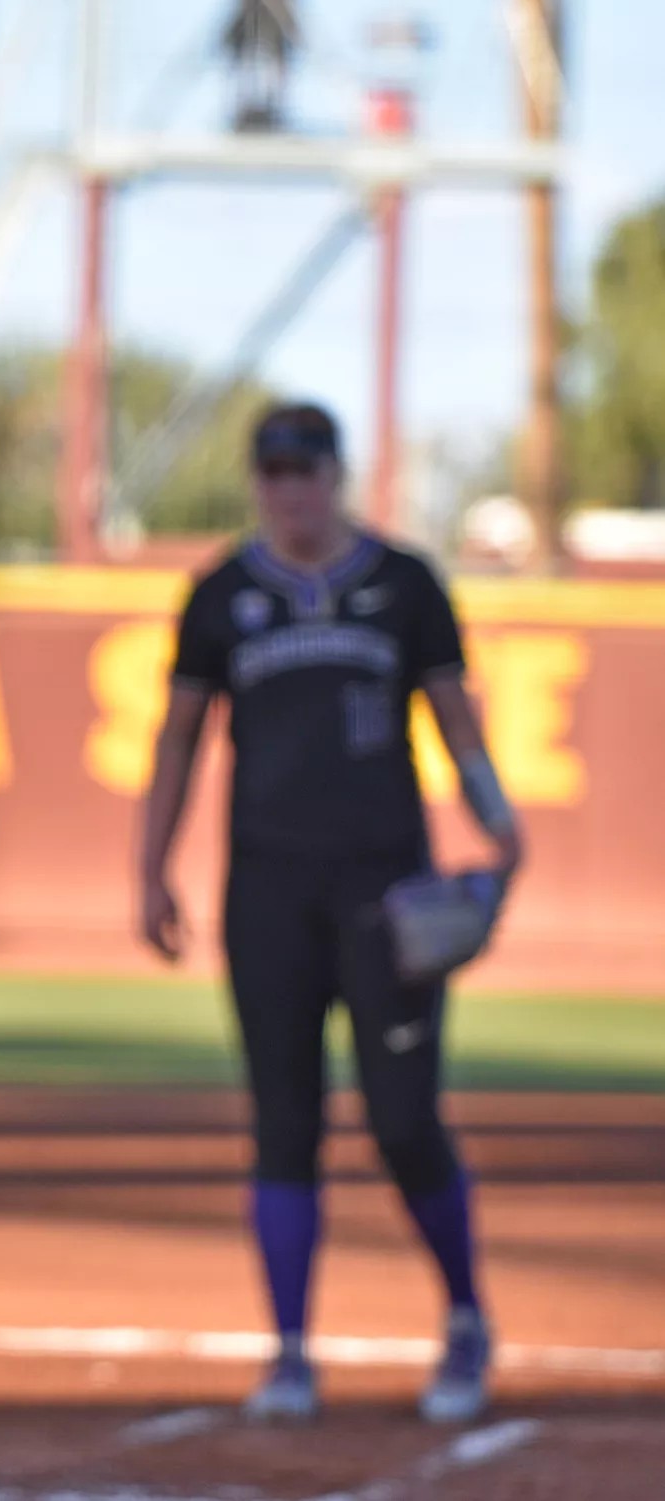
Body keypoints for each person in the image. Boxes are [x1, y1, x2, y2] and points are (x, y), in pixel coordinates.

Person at [137, 402, 521, 1426]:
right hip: (264, 889)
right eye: (269, 469)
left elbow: (452, 716)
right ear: (253, 479)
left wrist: (495, 817)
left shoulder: (401, 585)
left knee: (401, 1119)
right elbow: (176, 738)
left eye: (303, 468)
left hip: (382, 886)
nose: (287, 488)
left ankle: (464, 1315)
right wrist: (149, 867)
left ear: (336, 474)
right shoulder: (222, 594)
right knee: (281, 1121)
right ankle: (290, 1352)